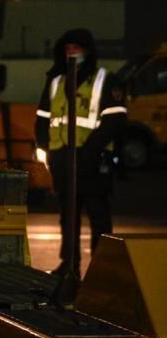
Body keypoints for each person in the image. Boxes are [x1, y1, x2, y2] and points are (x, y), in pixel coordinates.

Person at [33, 28, 129, 271]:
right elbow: (43, 118)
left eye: (75, 48)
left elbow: (115, 120)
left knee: (99, 215)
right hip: (63, 157)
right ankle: (69, 265)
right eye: (67, 48)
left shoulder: (105, 80)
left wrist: (90, 150)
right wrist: (48, 150)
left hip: (93, 159)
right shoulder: (56, 81)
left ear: (88, 50)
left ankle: (101, 269)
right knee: (68, 215)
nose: (71, 53)